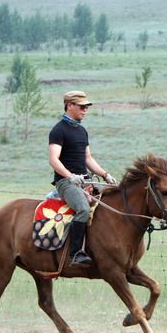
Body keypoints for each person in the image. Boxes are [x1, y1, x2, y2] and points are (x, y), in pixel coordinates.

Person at [48, 91, 117, 266]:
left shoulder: (82, 131)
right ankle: (76, 253)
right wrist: (70, 176)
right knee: (84, 210)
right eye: (81, 106)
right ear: (69, 105)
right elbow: (53, 160)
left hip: (85, 181)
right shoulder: (58, 130)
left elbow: (88, 158)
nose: (85, 110)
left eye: (86, 107)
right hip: (66, 183)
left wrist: (105, 175)